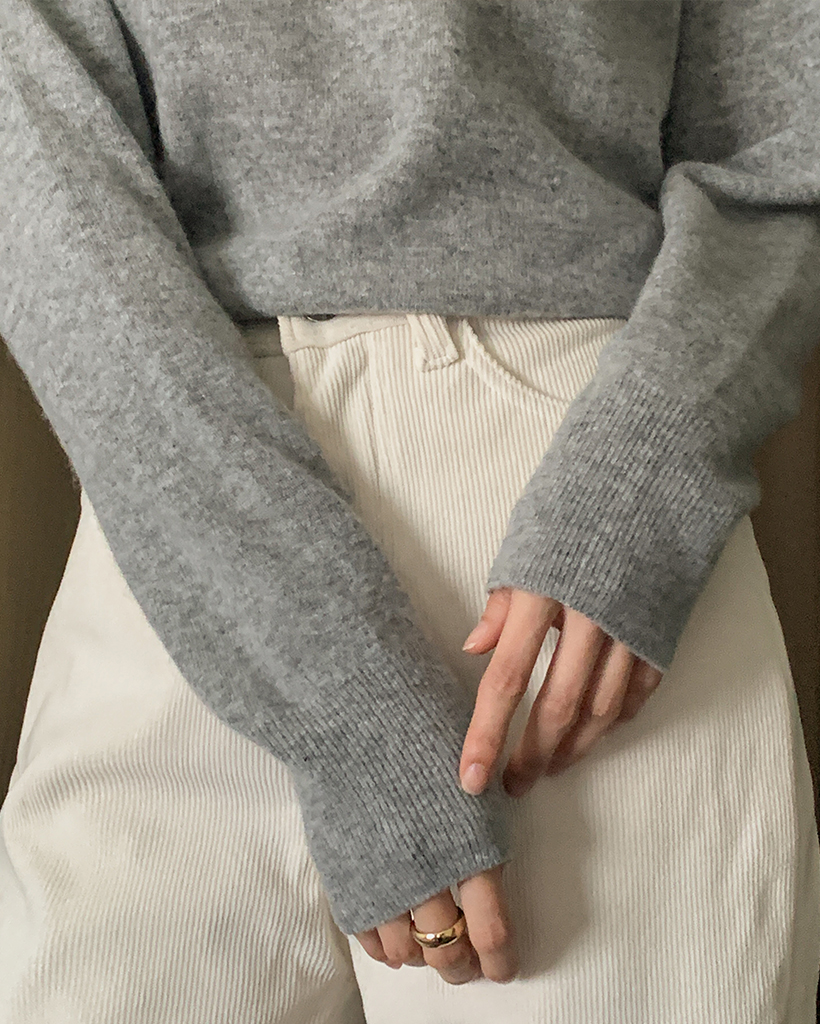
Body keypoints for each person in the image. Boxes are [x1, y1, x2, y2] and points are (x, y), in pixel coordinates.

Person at [1, 0, 819, 1020]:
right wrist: (342, 705)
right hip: (185, 498)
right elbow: (42, 175)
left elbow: (777, 148)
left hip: (574, 521)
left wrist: (638, 486)